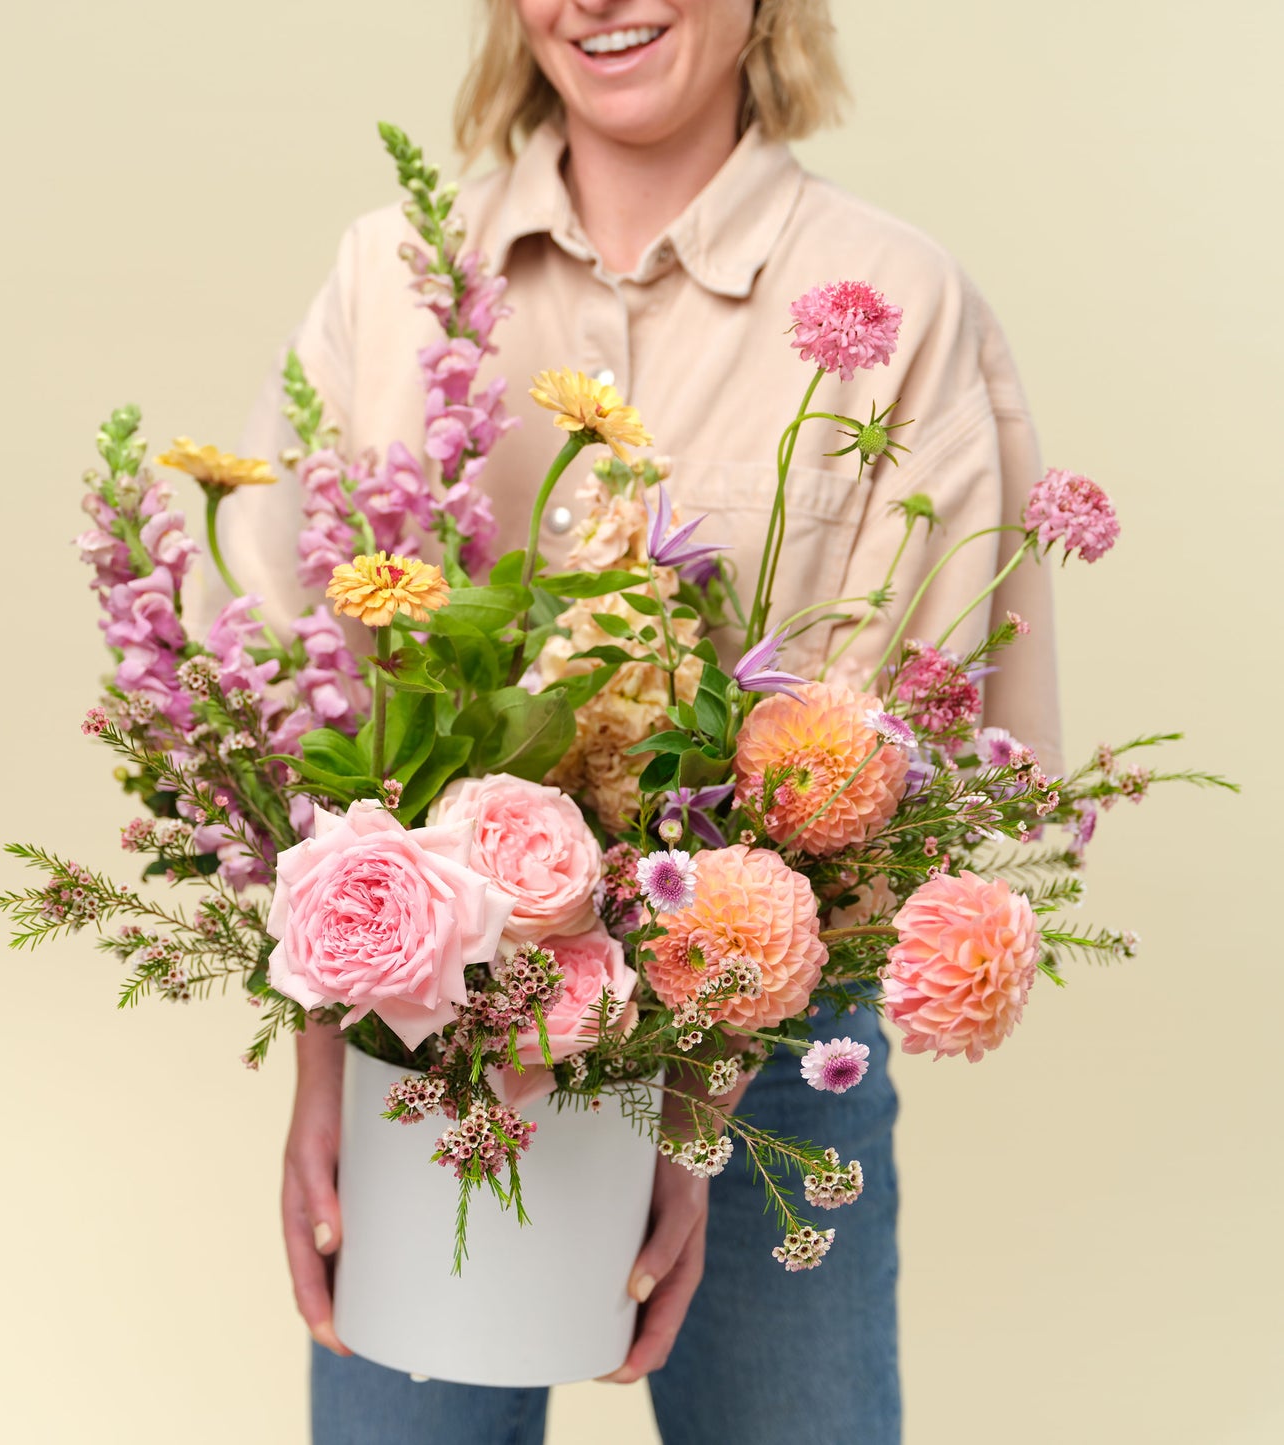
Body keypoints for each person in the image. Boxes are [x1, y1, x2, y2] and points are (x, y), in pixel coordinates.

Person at [222, 3, 1062, 1441]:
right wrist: (323, 1071)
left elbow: (898, 739)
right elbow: (293, 698)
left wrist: (684, 1106)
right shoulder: (396, 276)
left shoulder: (892, 300)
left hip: (770, 1071)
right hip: (421, 1050)